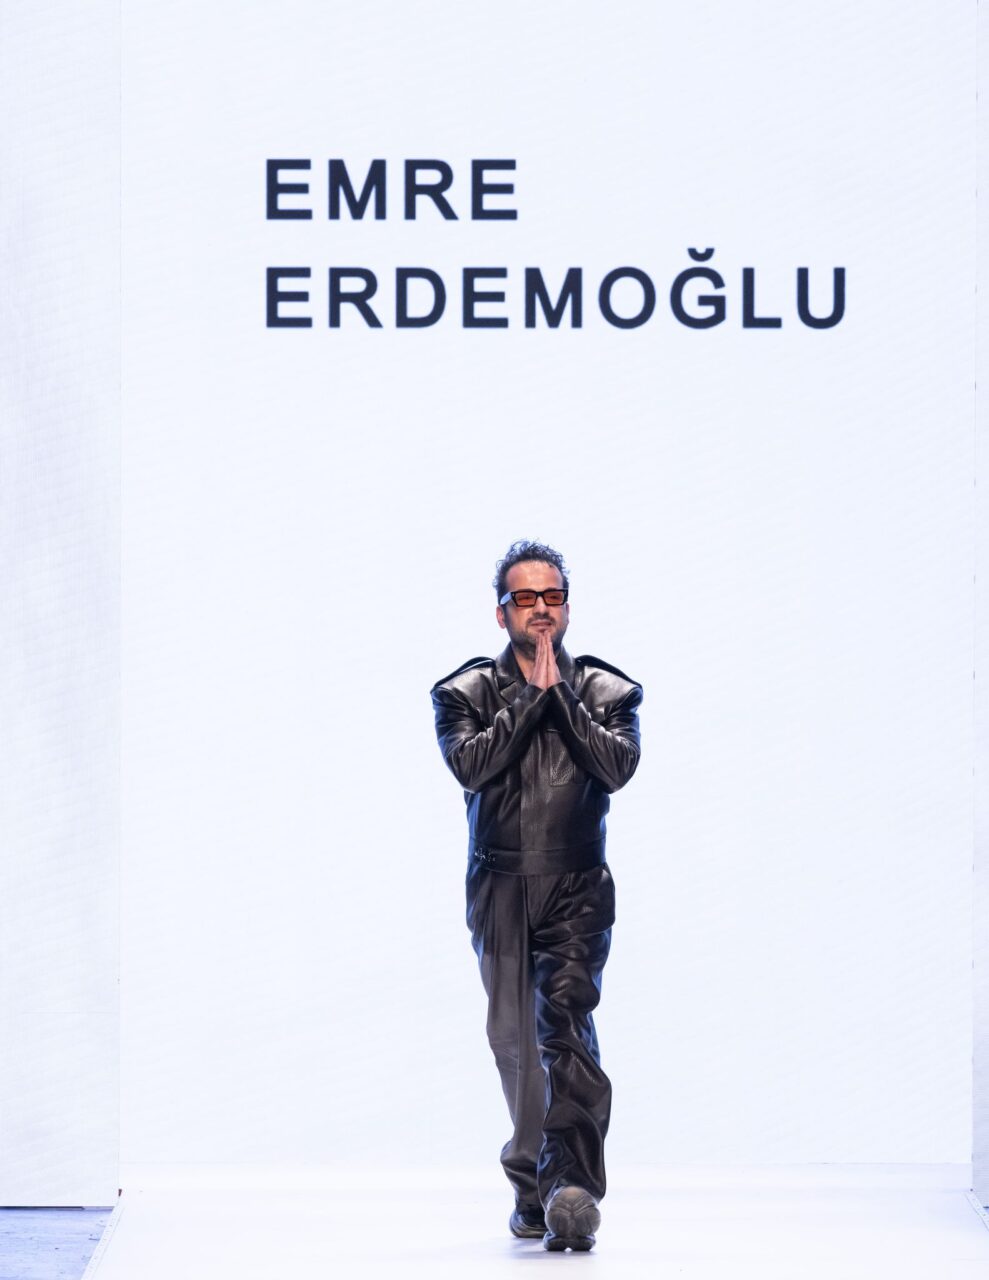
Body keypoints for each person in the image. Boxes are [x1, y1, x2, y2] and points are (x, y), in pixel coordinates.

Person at [429, 539, 643, 1252]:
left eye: (552, 597)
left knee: (566, 1030)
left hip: (577, 885)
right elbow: (473, 765)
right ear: (502, 613)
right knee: (515, 1044)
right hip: (498, 884)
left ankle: (571, 1189)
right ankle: (532, 1185)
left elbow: (615, 769)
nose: (540, 610)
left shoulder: (610, 692)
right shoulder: (462, 693)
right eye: (525, 598)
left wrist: (562, 698)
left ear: (567, 608)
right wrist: (530, 696)